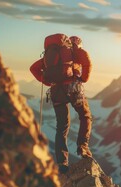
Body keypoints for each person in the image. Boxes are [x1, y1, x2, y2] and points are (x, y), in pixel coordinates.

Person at [30, 35, 93, 173]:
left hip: (56, 91)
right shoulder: (74, 52)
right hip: (73, 88)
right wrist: (83, 78)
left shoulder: (52, 57)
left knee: (62, 126)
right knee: (85, 116)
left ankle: (62, 163)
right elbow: (87, 61)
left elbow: (33, 68)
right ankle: (83, 147)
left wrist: (48, 82)